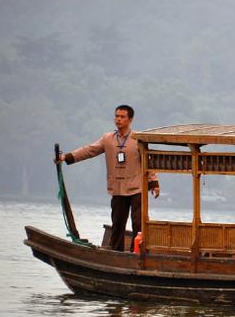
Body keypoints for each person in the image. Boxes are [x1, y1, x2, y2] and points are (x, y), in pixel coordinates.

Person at [56, 104, 160, 251]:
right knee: (117, 223)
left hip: (137, 188)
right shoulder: (108, 139)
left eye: (122, 117)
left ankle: (135, 252)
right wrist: (66, 157)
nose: (118, 119)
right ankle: (116, 251)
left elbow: (148, 163)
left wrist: (154, 183)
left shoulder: (138, 139)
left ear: (130, 119)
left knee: (138, 223)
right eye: (117, 116)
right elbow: (89, 150)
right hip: (117, 188)